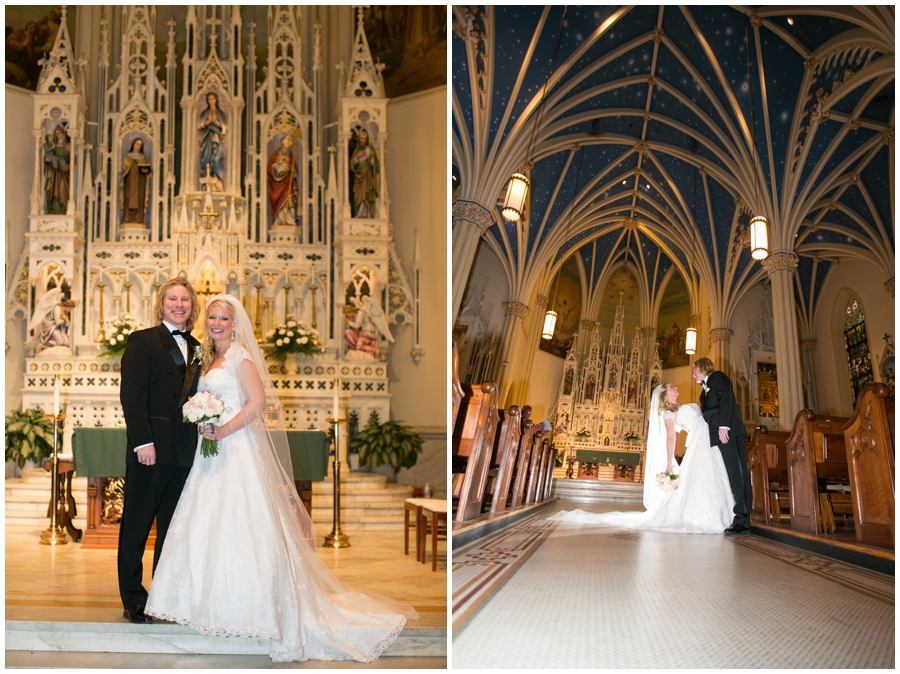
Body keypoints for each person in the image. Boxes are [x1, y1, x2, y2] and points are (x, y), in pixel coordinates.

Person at [145, 295, 416, 662]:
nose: (216, 323)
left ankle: (253, 610)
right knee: (207, 523)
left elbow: (257, 404)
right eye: (211, 317)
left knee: (242, 525)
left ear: (235, 323)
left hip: (236, 449)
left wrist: (223, 430)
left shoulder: (241, 357)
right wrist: (203, 419)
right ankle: (205, 606)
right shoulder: (209, 358)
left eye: (223, 318)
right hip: (210, 453)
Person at [118, 278, 202, 625]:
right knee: (137, 525)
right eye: (173, 298)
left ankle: (164, 596)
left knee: (172, 528)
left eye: (185, 299)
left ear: (192, 306)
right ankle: (134, 599)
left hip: (184, 450)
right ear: (161, 303)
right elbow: (131, 395)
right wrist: (142, 442)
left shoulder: (199, 346)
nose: (179, 304)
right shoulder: (142, 341)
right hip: (150, 448)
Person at [549, 383, 734, 534]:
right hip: (701, 445)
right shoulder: (669, 413)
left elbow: (689, 427)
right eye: (670, 386)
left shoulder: (679, 409)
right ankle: (707, 517)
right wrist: (669, 463)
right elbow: (671, 436)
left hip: (702, 443)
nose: (675, 387)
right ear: (664, 395)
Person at [693, 357, 752, 535]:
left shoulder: (718, 377)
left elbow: (726, 400)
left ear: (703, 368)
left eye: (695, 369)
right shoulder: (703, 392)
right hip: (719, 436)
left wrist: (724, 426)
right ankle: (738, 516)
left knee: (738, 474)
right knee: (731, 476)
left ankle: (743, 520)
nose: (693, 373)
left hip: (729, 432)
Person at [267, 133, 300, 227]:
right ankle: (279, 220)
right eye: (286, 139)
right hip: (278, 185)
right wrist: (277, 166)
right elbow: (270, 169)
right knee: (279, 201)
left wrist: (292, 170)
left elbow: (296, 172)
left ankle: (290, 220)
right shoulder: (276, 154)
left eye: (290, 140)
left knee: (290, 201)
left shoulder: (292, 156)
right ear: (281, 141)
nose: (288, 141)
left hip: (288, 184)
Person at [198, 91, 226, 191]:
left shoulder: (219, 113)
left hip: (216, 139)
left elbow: (224, 127)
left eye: (213, 99)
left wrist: (216, 122)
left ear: (216, 100)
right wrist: (207, 122)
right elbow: (199, 125)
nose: (211, 101)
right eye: (209, 99)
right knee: (207, 160)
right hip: (207, 139)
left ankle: (218, 183)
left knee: (217, 159)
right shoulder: (205, 113)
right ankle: (206, 184)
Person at [120, 137, 152, 224]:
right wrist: (123, 179)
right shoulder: (128, 156)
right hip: (130, 181)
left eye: (140, 145)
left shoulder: (143, 157)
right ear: (133, 144)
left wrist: (146, 171)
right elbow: (124, 170)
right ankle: (127, 217)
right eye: (137, 144)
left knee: (139, 199)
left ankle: (139, 218)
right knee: (128, 197)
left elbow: (148, 172)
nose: (138, 146)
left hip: (140, 182)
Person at [349, 129, 378, 217]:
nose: (362, 141)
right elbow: (352, 165)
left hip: (368, 176)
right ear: (358, 139)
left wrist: (372, 157)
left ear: (367, 140)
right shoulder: (356, 151)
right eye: (361, 138)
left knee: (367, 193)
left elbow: (375, 165)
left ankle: (368, 213)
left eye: (364, 139)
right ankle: (359, 212)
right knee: (359, 195)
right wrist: (357, 157)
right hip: (359, 177)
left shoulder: (370, 149)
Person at [44, 124, 70, 214]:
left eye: (59, 133)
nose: (58, 135)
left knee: (62, 189)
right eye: (56, 133)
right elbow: (49, 154)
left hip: (63, 172)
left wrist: (60, 160)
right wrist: (48, 160)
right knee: (54, 188)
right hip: (55, 171)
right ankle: (54, 209)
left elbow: (70, 159)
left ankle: (62, 208)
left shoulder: (67, 145)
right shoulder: (54, 145)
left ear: (63, 133)